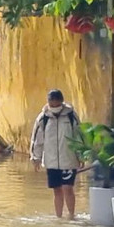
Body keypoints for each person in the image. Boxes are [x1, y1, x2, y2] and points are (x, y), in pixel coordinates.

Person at [30, 89, 82, 219]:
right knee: (57, 190)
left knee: (68, 188)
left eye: (56, 104)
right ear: (48, 103)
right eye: (51, 104)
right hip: (51, 161)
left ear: (61, 102)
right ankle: (58, 217)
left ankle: (71, 216)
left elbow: (79, 136)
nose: (54, 107)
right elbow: (37, 139)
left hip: (68, 160)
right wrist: (35, 158)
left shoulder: (71, 116)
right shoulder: (43, 118)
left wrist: (81, 156)